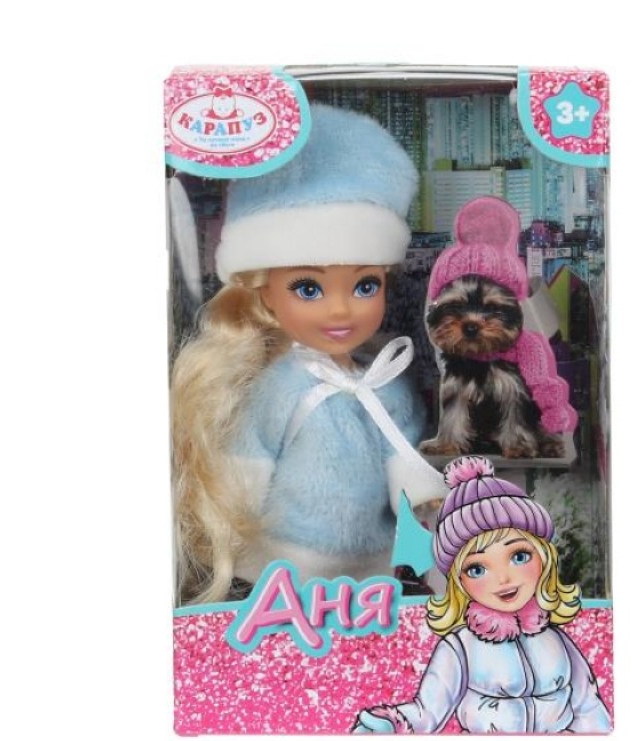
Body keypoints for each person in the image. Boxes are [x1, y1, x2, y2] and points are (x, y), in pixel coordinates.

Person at [171, 104, 444, 604]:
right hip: (283, 569)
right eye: (308, 288)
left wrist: (428, 506)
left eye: (365, 285)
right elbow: (246, 470)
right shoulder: (281, 385)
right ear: (265, 293)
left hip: (374, 569)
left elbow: (403, 461)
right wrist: (226, 535)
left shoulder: (388, 383)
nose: (341, 309)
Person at [353, 456, 612, 733]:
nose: (503, 579)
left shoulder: (556, 637)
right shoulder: (461, 646)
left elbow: (588, 705)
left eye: (519, 556)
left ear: (544, 557)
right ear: (459, 581)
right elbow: (426, 711)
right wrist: (387, 725)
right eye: (477, 569)